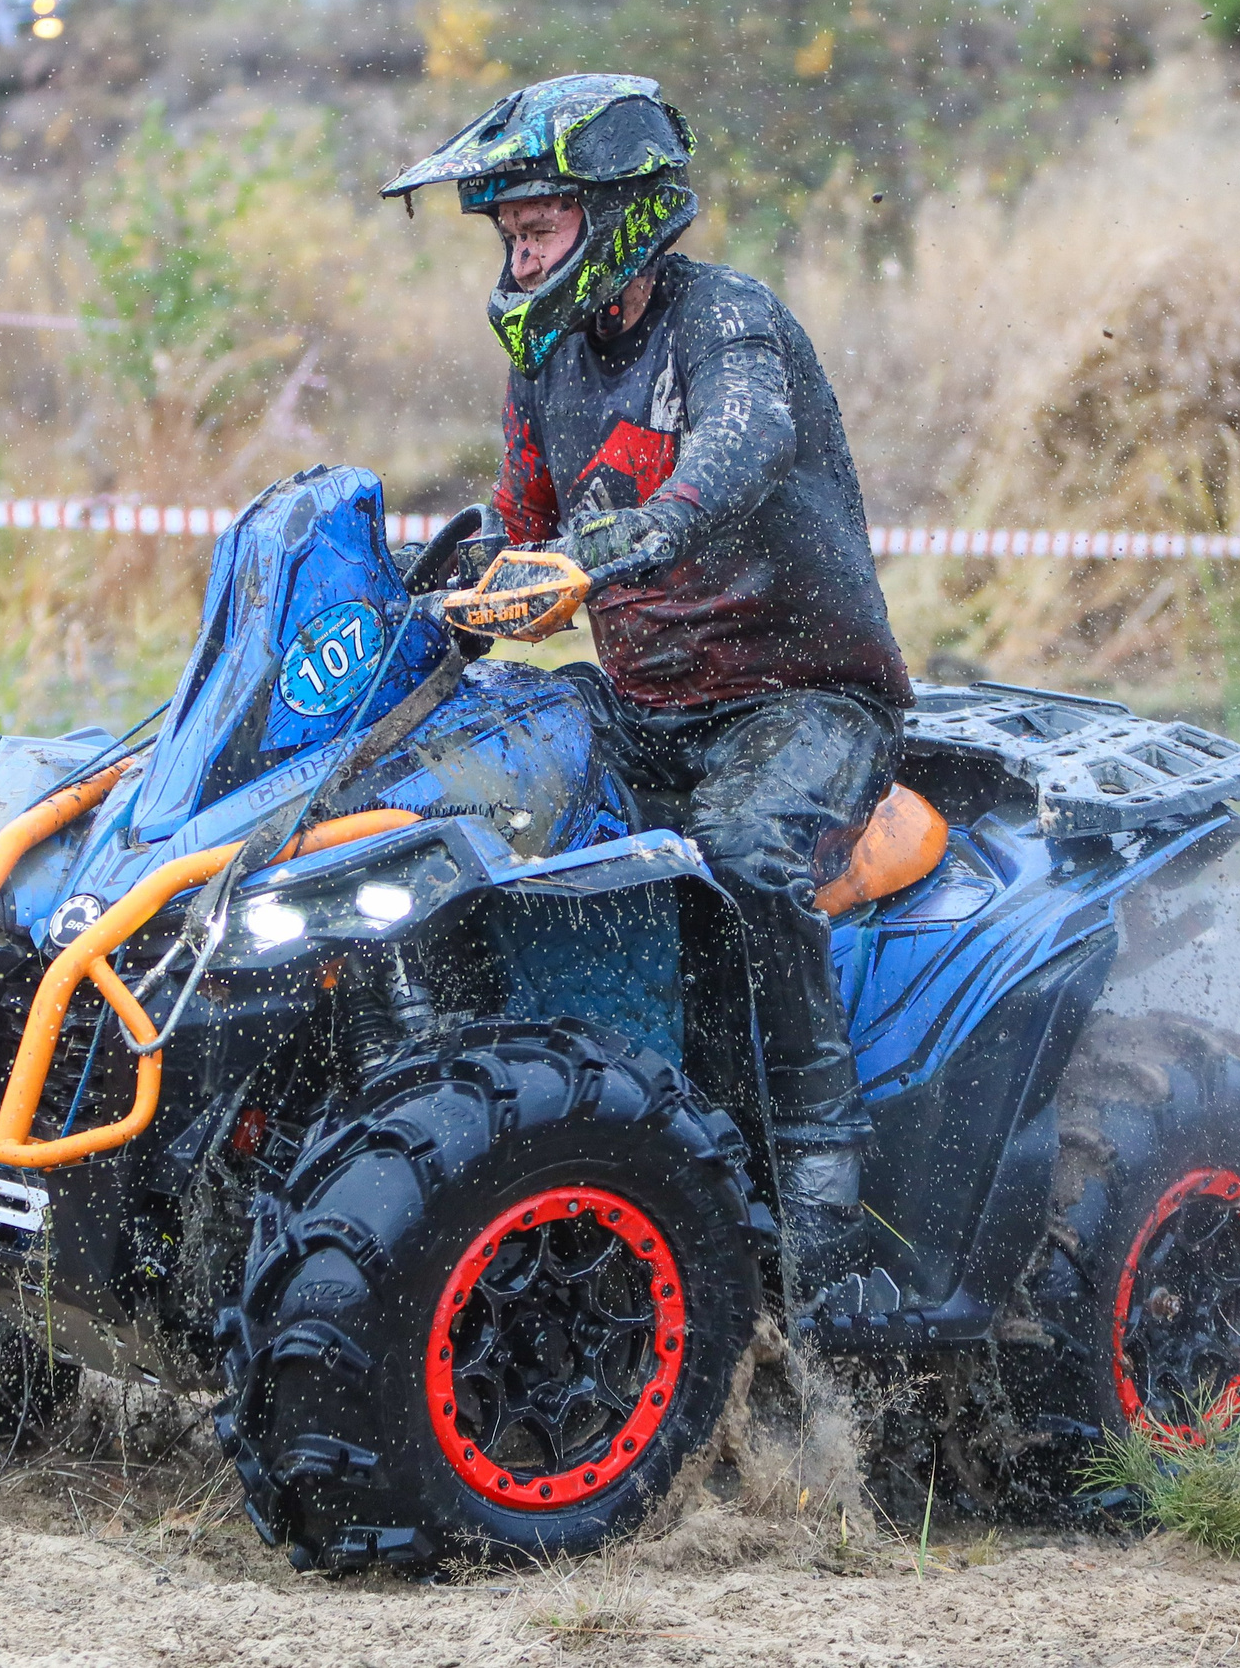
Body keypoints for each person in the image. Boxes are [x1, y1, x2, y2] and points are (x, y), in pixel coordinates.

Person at [383, 74, 915, 1298]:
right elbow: (519, 524)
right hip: (650, 700)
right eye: (509, 236)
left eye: (537, 230)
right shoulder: (545, 368)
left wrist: (616, 545)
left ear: (617, 212)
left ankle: (820, 1158)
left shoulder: (726, 320)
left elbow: (742, 449)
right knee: (473, 797)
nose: (518, 259)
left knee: (741, 844)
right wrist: (431, 581)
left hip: (806, 698)